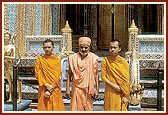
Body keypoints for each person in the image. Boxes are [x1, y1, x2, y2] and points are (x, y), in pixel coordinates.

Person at [66, 37, 99, 111]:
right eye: (81, 47)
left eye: (86, 47)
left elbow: (96, 75)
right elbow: (69, 74)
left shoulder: (93, 58)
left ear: (89, 47)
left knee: (88, 108)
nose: (83, 49)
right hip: (76, 88)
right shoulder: (73, 58)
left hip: (88, 89)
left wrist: (97, 89)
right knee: (75, 108)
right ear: (79, 47)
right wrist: (68, 89)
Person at [35, 39, 65, 111]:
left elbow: (58, 75)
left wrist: (50, 89)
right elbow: (38, 74)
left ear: (53, 47)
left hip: (54, 88)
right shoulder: (40, 60)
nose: (47, 49)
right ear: (43, 48)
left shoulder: (56, 60)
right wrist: (46, 85)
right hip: (43, 88)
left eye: (49, 47)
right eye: (45, 47)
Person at [101, 39, 130, 111]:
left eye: (115, 47)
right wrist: (114, 86)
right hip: (110, 90)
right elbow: (103, 77)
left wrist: (126, 95)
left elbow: (126, 80)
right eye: (111, 47)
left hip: (121, 92)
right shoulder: (105, 60)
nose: (112, 49)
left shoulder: (123, 62)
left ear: (119, 49)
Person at [4, 30, 22, 103]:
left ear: (9, 38)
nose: (5, 37)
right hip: (5, 66)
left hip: (11, 66)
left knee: (16, 81)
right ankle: (10, 97)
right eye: (4, 36)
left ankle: (19, 97)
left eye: (7, 36)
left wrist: (4, 56)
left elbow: (14, 57)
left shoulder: (12, 47)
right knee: (9, 82)